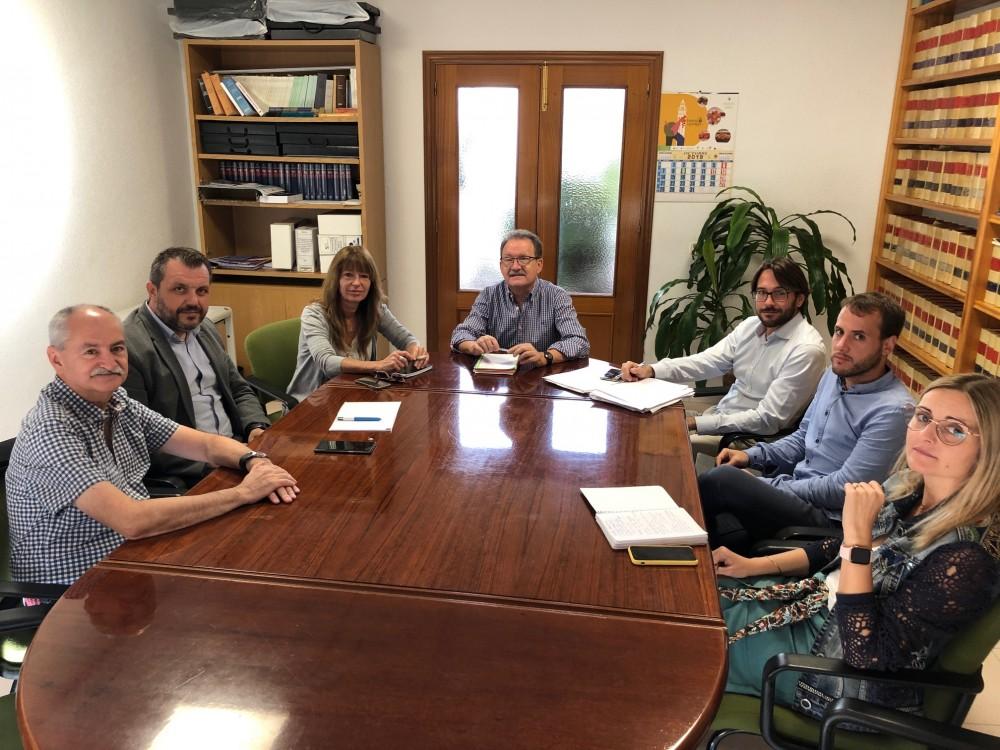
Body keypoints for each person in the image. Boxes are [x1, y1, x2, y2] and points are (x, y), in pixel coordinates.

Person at [711, 373, 999, 722]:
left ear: (989, 451)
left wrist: (859, 541)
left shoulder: (965, 561)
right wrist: (750, 566)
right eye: (923, 417)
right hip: (809, 608)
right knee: (698, 598)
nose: (925, 435)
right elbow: (835, 548)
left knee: (690, 639)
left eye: (954, 429)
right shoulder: (908, 487)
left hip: (828, 675)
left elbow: (867, 656)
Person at [7, 305, 299, 585]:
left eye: (117, 348)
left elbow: (206, 446)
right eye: (91, 351)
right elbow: (131, 520)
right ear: (56, 359)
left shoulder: (117, 402)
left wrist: (255, 461)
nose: (109, 362)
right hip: (75, 588)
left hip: (133, 555)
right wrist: (243, 493)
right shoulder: (50, 430)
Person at [698, 292, 913, 552]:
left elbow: (844, 489)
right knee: (713, 516)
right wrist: (752, 456)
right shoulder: (833, 376)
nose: (841, 345)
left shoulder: (892, 411)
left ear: (887, 346)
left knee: (720, 481)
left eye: (858, 337)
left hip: (829, 518)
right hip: (797, 493)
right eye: (839, 332)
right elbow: (803, 437)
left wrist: (769, 485)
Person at [620, 258, 826, 458]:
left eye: (780, 293)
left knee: (657, 443)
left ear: (799, 299)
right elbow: (706, 362)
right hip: (720, 418)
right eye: (762, 293)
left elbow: (767, 420)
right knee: (644, 421)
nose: (768, 302)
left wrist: (694, 423)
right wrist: (651, 370)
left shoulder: (806, 350)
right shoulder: (750, 326)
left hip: (749, 441)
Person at [124, 247, 271, 489]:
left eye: (202, 291)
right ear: (152, 290)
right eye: (179, 289)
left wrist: (255, 426)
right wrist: (225, 459)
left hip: (241, 451)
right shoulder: (128, 349)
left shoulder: (206, 329)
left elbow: (238, 389)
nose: (193, 302)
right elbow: (139, 440)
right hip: (199, 471)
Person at [287, 245, 428, 402]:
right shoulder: (314, 314)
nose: (357, 283)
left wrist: (416, 353)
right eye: (348, 275)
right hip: (313, 402)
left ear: (371, 282)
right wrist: (379, 365)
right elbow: (327, 362)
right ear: (336, 280)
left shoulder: (375, 310)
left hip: (355, 396)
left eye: (364, 276)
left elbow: (407, 340)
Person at [450, 229, 590, 368]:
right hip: (497, 376)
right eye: (508, 259)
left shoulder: (556, 296)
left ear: (539, 264)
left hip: (541, 375)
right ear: (501, 265)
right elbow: (461, 334)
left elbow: (578, 341)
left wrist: (544, 356)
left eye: (523, 259)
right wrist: (474, 345)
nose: (515, 267)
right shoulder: (488, 296)